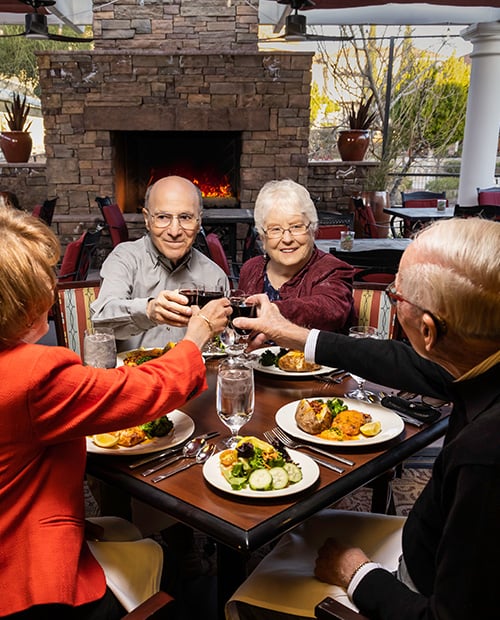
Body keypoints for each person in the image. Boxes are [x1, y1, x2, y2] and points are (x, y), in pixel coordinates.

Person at [228, 217, 500, 620]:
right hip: (433, 544)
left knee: (242, 600)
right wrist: (293, 334)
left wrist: (356, 571)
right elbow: (398, 361)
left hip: (411, 582)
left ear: (427, 331)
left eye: (395, 294)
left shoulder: (485, 457)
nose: (391, 297)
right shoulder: (478, 356)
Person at [0, 208, 231, 619]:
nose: (54, 285)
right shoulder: (31, 374)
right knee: (174, 593)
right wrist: (194, 339)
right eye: (46, 276)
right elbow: (143, 391)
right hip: (23, 580)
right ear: (22, 298)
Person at [91, 175, 230, 351]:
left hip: (192, 373)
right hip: (136, 373)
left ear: (199, 221)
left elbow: (224, 344)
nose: (174, 231)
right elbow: (101, 319)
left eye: (185, 217)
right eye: (163, 217)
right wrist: (148, 311)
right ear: (147, 219)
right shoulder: (124, 258)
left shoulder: (215, 277)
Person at [237, 179, 355, 332]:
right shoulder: (251, 269)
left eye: (296, 227)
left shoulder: (333, 270)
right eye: (275, 229)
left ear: (313, 229)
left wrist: (272, 311)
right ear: (262, 237)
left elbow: (330, 312)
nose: (287, 239)